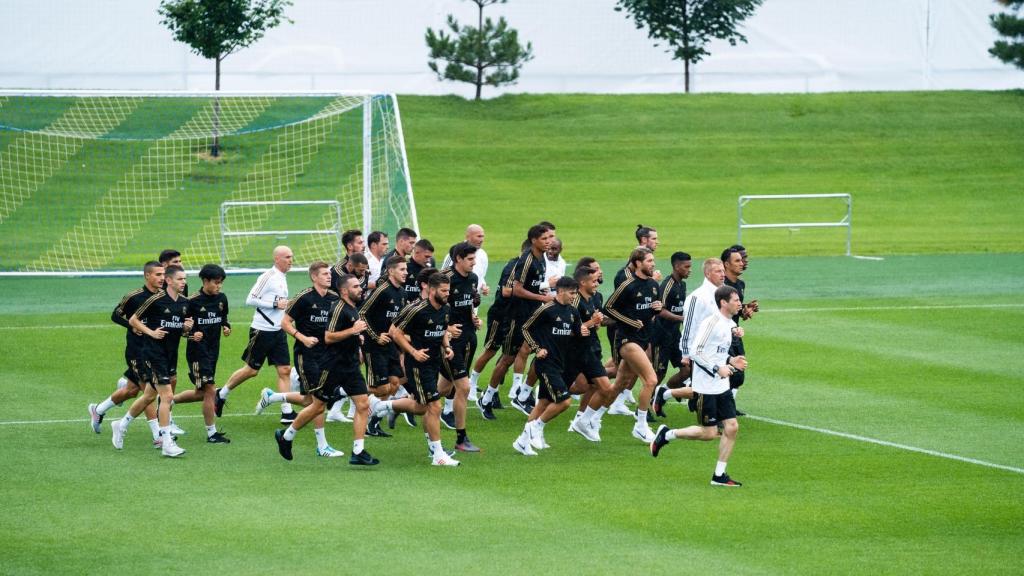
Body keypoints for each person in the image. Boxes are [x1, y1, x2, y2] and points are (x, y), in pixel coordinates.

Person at [275, 274, 380, 466]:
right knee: (317, 406)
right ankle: (286, 436)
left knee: (363, 404)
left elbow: (350, 333)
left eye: (360, 286)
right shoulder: (338, 308)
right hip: (332, 365)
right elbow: (329, 337)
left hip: (350, 366)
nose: (360, 289)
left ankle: (358, 451)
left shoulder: (352, 308)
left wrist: (358, 342)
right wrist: (353, 331)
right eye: (356, 286)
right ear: (344, 290)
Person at [651, 285, 748, 487]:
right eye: (735, 299)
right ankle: (667, 434)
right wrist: (716, 368)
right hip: (706, 388)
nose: (739, 302)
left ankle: (719, 475)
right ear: (723, 302)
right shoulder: (711, 322)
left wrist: (731, 361)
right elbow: (696, 351)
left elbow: (717, 351)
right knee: (709, 433)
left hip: (721, 386)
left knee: (732, 427)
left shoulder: (728, 323)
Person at [258, 261, 345, 457]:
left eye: (329, 274)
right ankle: (321, 446)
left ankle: (274, 397)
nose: (329, 276)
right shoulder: (304, 298)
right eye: (324, 274)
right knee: (319, 400)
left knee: (309, 400)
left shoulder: (333, 298)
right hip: (306, 355)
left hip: (327, 355)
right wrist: (303, 338)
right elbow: (285, 322)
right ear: (314, 277)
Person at [111, 265, 192, 457]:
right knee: (167, 396)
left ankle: (120, 425)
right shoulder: (155, 300)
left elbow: (176, 328)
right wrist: (151, 332)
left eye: (185, 279)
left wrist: (187, 328)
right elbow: (133, 320)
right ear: (170, 281)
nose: (184, 282)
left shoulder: (184, 303)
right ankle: (166, 443)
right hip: (152, 353)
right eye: (180, 279)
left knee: (148, 396)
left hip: (170, 354)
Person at [387, 273, 461, 466]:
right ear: (432, 289)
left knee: (421, 408)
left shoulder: (445, 308)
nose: (447, 294)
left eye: (449, 290)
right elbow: (395, 332)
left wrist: (447, 347)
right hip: (418, 365)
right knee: (434, 406)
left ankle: (383, 406)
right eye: (444, 291)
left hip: (434, 361)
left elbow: (443, 329)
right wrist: (413, 352)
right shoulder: (416, 309)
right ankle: (438, 455)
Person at [215, 246, 294, 423]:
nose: (291, 260)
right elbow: (250, 299)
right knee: (251, 370)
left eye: (291, 257)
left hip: (277, 330)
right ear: (277, 259)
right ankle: (221, 393)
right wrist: (275, 304)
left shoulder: (282, 277)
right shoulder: (268, 276)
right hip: (262, 330)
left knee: (284, 370)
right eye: (287, 257)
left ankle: (287, 411)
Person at [512, 276, 586, 456]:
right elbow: (525, 328)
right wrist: (537, 348)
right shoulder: (547, 309)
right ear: (560, 291)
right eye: (571, 293)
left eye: (575, 293)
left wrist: (585, 329)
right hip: (546, 364)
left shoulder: (573, 312)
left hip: (561, 363)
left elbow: (576, 332)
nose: (573, 296)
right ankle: (535, 427)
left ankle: (522, 442)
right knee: (564, 401)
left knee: (544, 402)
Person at [89, 261, 162, 443]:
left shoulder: (162, 297)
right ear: (147, 276)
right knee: (149, 390)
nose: (162, 278)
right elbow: (116, 314)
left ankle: (97, 410)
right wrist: (131, 325)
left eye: (163, 275)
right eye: (158, 275)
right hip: (137, 351)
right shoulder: (134, 297)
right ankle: (158, 435)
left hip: (154, 350)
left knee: (130, 391)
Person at [604, 247, 662, 443]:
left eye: (653, 260)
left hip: (644, 338)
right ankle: (641, 425)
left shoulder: (654, 284)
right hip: (627, 339)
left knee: (619, 384)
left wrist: (658, 307)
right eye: (649, 261)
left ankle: (588, 418)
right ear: (638, 263)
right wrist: (629, 322)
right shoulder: (627, 285)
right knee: (651, 380)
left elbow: (652, 308)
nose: (653, 263)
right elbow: (609, 308)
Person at [171, 264, 232, 444]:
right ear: (205, 281)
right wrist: (191, 334)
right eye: (216, 283)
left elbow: (224, 318)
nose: (219, 287)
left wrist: (226, 327)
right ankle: (212, 434)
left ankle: (168, 401)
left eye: (221, 283)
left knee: (201, 393)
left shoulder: (222, 298)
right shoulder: (192, 301)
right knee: (211, 389)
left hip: (214, 351)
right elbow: (181, 329)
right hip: (197, 352)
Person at [505, 224, 556, 415]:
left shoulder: (542, 257)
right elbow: (517, 290)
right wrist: (543, 298)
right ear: (534, 240)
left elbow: (533, 285)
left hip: (535, 310)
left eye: (550, 238)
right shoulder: (526, 260)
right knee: (527, 350)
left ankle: (523, 393)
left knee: (534, 349)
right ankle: (520, 393)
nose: (549, 241)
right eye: (545, 239)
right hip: (522, 312)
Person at [358, 255, 410, 434]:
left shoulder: (402, 293)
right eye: (402, 269)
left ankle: (373, 421)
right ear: (391, 271)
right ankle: (343, 390)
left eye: (406, 269)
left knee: (395, 383)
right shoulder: (382, 291)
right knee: (381, 388)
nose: (406, 272)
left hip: (390, 345)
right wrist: (376, 336)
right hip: (374, 345)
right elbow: (362, 313)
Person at [565, 265, 617, 442]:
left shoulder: (593, 298)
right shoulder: (574, 301)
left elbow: (596, 322)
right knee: (580, 388)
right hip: (574, 352)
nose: (597, 284)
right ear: (582, 282)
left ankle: (583, 420)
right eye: (593, 281)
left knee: (602, 387)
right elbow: (568, 330)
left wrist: (602, 321)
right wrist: (591, 322)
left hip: (590, 350)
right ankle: (533, 428)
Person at [438, 243, 482, 452]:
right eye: (471, 259)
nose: (474, 263)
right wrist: (446, 328)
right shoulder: (445, 279)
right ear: (458, 259)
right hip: (450, 342)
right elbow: (431, 307)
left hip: (468, 339)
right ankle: (461, 438)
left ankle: (390, 407)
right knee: (463, 387)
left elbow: (468, 305)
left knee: (442, 388)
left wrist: (474, 319)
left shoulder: (473, 279)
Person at [470, 254, 518, 417]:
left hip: (515, 317)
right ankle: (472, 383)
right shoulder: (514, 266)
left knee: (509, 355)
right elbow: (505, 291)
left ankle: (493, 393)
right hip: (501, 315)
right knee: (491, 351)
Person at [650, 252, 695, 418]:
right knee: (657, 375)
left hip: (675, 336)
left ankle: (662, 395)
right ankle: (643, 409)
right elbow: (659, 310)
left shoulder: (681, 285)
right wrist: (683, 318)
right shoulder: (667, 285)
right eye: (687, 267)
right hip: (661, 336)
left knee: (686, 370)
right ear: (677, 266)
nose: (690, 270)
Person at [721, 246, 758, 415]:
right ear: (726, 265)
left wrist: (745, 310)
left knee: (738, 374)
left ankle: (727, 406)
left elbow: (735, 309)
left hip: (735, 334)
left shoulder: (740, 284)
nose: (742, 264)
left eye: (742, 260)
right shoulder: (721, 287)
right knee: (726, 373)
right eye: (738, 261)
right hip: (722, 335)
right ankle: (720, 410)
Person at [440, 224, 490, 295]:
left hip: (471, 302)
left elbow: (481, 276)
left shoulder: (483, 255)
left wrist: (483, 286)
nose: (482, 240)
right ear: (468, 237)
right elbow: (442, 277)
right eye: (479, 236)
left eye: (483, 236)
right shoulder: (456, 252)